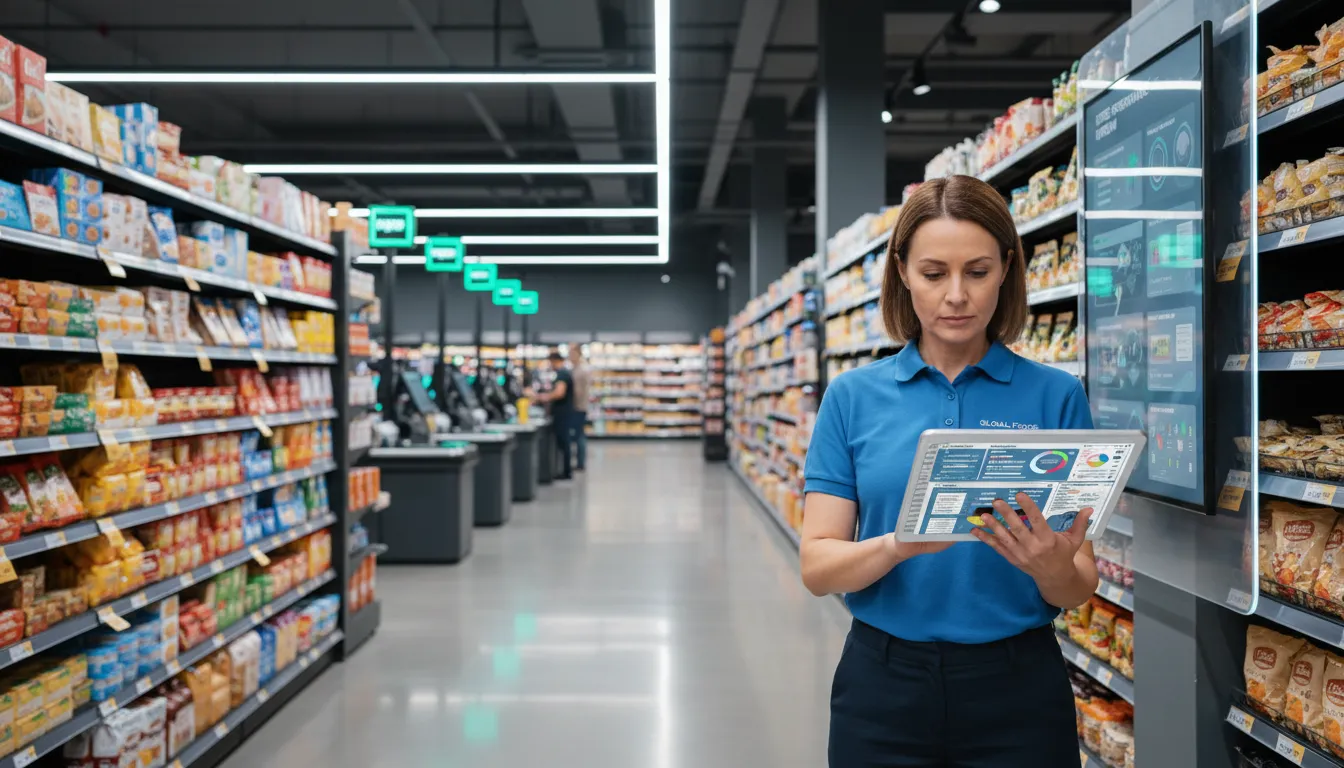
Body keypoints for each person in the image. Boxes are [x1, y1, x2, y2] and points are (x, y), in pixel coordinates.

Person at [800, 175, 1097, 768]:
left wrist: (1051, 565)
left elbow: (1079, 585)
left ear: (1008, 269)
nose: (956, 295)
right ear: (903, 271)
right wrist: (896, 545)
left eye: (978, 272)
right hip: (883, 685)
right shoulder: (852, 397)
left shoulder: (1057, 397)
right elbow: (817, 566)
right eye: (934, 274)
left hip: (1018, 686)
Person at [535, 350, 575, 479]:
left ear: (554, 361)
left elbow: (559, 393)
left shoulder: (562, 374)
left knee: (563, 442)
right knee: (564, 442)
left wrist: (544, 397)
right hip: (565, 412)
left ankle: (566, 471)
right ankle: (565, 470)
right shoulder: (564, 372)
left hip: (562, 413)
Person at [569, 345, 592, 471]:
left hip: (578, 407)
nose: (570, 356)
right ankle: (579, 461)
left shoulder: (580, 371)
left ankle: (580, 462)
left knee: (578, 435)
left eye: (572, 354)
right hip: (579, 406)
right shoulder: (577, 369)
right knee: (579, 434)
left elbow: (578, 392)